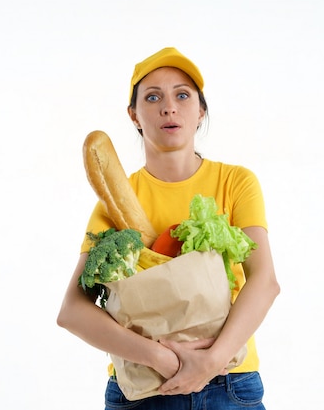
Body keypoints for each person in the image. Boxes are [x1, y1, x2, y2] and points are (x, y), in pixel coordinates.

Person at [57, 47, 280, 409]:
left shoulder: (235, 182)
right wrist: (163, 359)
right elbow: (72, 311)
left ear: (200, 111)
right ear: (134, 116)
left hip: (229, 384)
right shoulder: (113, 201)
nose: (169, 107)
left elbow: (265, 282)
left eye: (182, 95)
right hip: (145, 390)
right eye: (153, 97)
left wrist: (208, 362)